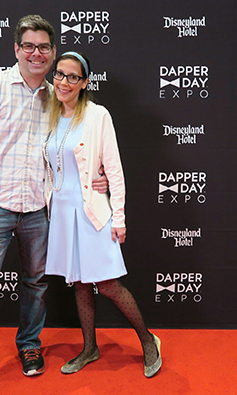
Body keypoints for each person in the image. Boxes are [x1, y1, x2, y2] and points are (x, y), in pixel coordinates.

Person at [0, 16, 107, 395]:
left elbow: (79, 149)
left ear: (53, 53)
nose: (36, 53)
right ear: (16, 49)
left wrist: (98, 178)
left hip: (39, 209)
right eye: (29, 46)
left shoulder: (59, 97)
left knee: (35, 284)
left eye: (43, 47)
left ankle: (29, 345)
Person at [43, 51, 162, 378]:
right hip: (62, 214)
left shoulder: (98, 116)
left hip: (92, 211)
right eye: (59, 74)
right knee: (80, 284)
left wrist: (119, 217)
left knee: (107, 284)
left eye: (73, 77)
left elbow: (115, 170)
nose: (64, 82)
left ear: (84, 83)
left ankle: (148, 341)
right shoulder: (48, 114)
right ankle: (89, 348)